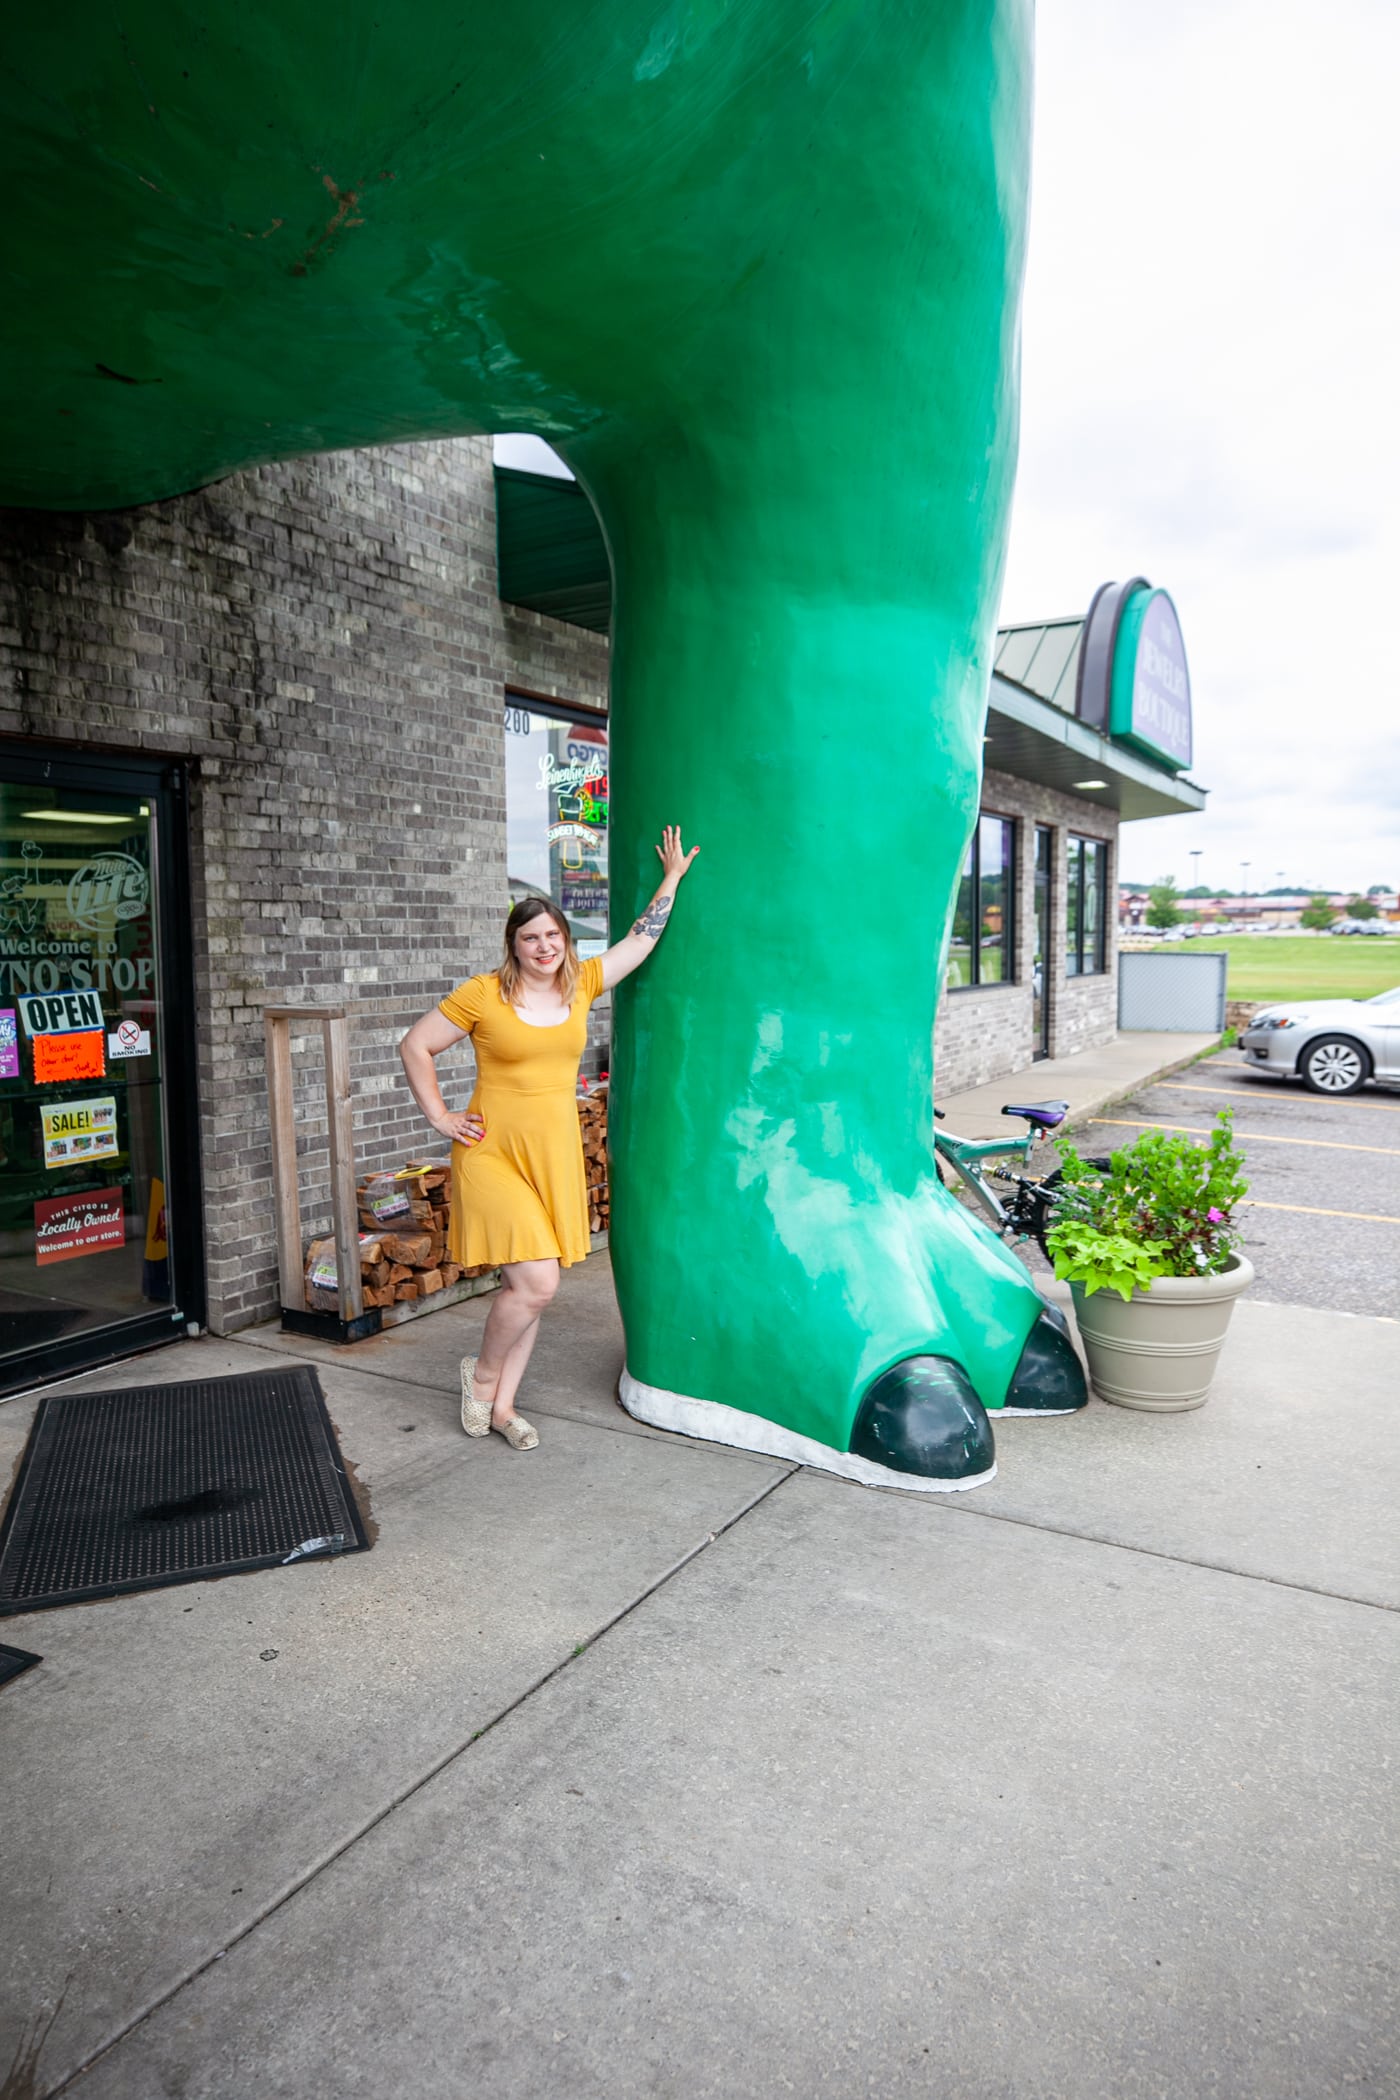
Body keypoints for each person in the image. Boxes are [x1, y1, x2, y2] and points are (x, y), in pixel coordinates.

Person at [399, 825, 699, 1450]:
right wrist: (441, 1117)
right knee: (538, 1282)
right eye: (530, 937)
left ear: (565, 941)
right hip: (492, 1153)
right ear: (513, 945)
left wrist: (670, 879)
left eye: (552, 936)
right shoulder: (484, 993)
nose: (543, 946)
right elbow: (416, 1045)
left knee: (524, 1289)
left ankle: (504, 1407)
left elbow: (638, 943)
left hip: (554, 1154)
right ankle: (481, 1376)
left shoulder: (580, 985)